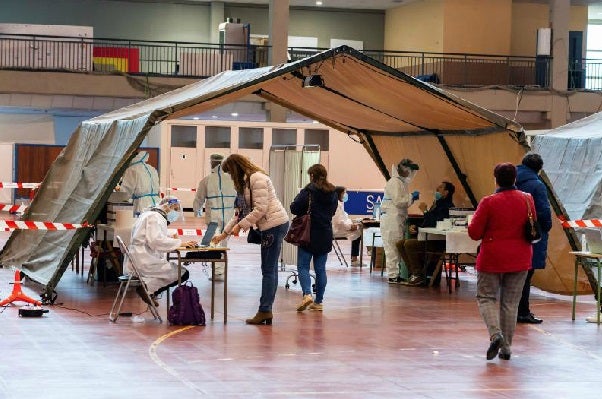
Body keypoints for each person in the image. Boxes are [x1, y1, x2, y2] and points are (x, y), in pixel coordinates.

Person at [210, 154, 289, 325]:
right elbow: (239, 214)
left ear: (236, 168)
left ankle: (265, 310)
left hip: (274, 225)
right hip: (269, 225)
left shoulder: (257, 178)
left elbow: (261, 208)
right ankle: (266, 310)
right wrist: (224, 234)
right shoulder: (244, 184)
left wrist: (241, 226)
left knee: (268, 270)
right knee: (270, 269)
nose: (230, 177)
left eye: (230, 172)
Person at [468, 163, 534, 361]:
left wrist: (469, 224)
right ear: (515, 178)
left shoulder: (488, 202)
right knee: (510, 303)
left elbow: (475, 233)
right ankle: (506, 349)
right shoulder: (527, 199)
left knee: (486, 298)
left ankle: (496, 334)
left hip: (492, 258)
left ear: (495, 178)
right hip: (521, 257)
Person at [127, 196, 195, 306]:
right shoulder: (155, 218)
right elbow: (155, 241)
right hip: (144, 260)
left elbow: (150, 236)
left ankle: (148, 289)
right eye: (175, 209)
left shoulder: (149, 215)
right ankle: (147, 290)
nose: (176, 213)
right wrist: (179, 243)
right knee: (182, 273)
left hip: (140, 257)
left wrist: (170, 237)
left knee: (170, 270)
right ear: (168, 207)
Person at [292, 165, 338, 312]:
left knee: (303, 266)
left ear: (312, 175)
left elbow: (294, 208)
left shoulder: (308, 192)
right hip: (325, 234)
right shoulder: (333, 192)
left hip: (308, 234)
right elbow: (332, 211)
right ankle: (318, 302)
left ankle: (307, 294)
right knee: (320, 269)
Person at [515, 153, 552, 324]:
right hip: (529, 236)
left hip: (511, 235)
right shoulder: (537, 185)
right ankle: (522, 312)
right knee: (526, 275)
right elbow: (544, 212)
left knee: (512, 277)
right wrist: (546, 228)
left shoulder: (510, 180)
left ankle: (510, 309)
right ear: (539, 169)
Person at [397, 181, 456, 287]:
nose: (437, 189)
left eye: (441, 187)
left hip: (437, 242)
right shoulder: (437, 205)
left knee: (409, 244)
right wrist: (416, 227)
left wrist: (425, 211)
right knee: (400, 243)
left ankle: (418, 275)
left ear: (446, 192)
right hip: (429, 238)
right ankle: (414, 274)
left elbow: (435, 222)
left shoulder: (448, 207)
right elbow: (427, 222)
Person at [192, 153, 237, 280]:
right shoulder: (231, 179)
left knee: (215, 242)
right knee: (222, 242)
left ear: (211, 163)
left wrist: (197, 211)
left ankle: (218, 272)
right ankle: (219, 271)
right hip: (229, 216)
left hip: (213, 218)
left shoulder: (206, 180)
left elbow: (199, 199)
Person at [380, 158, 419, 284]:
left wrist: (410, 198)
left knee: (395, 246)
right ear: (404, 170)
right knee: (392, 247)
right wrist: (411, 197)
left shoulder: (400, 183)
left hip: (395, 219)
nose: (411, 173)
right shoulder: (395, 182)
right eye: (410, 170)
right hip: (391, 220)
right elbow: (399, 201)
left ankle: (394, 274)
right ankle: (392, 275)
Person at [117, 150, 161, 216]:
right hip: (156, 203)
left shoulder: (132, 169)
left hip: (142, 205)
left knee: (142, 224)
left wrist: (119, 192)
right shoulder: (151, 168)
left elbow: (126, 192)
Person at [332, 186, 362, 266]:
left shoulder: (339, 203)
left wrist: (351, 224)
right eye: (344, 193)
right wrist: (350, 227)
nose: (345, 194)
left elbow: (344, 218)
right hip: (337, 230)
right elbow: (339, 222)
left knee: (358, 229)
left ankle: (354, 258)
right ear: (339, 194)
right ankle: (354, 259)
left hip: (340, 227)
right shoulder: (336, 205)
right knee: (358, 232)